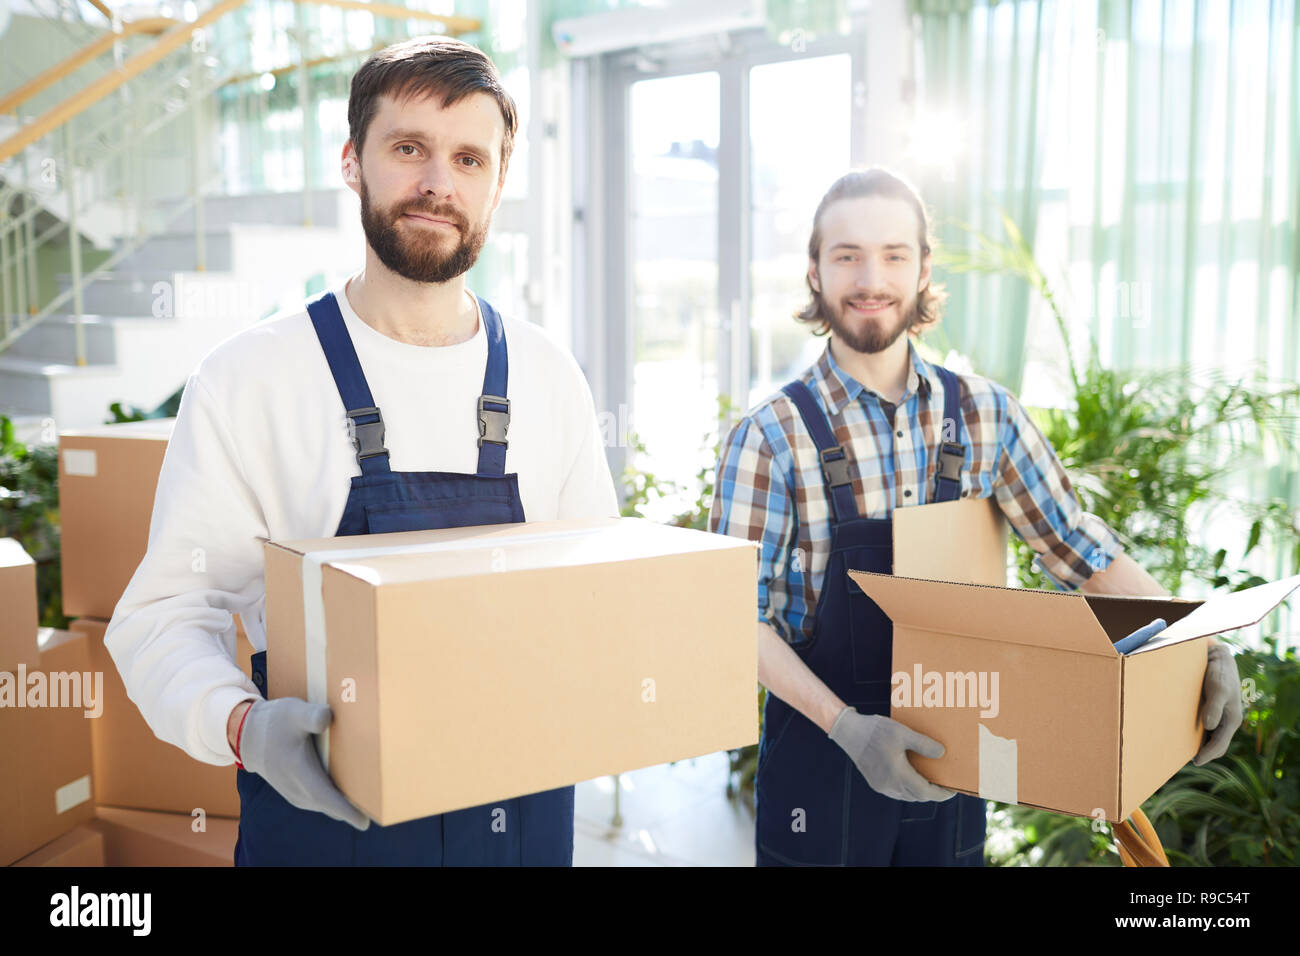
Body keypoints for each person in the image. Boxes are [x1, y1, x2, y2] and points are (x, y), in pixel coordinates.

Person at [104, 35, 618, 866]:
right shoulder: (249, 380)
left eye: (468, 159)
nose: (437, 184)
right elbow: (163, 617)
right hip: (325, 822)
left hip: (517, 818)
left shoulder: (548, 376)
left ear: (497, 183)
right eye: (408, 148)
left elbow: (597, 594)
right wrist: (241, 726)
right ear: (353, 161)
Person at [708, 167, 1242, 867]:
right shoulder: (770, 436)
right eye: (847, 256)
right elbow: (730, 616)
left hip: (957, 762)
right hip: (822, 764)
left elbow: (1075, 547)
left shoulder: (985, 415)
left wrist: (1192, 640)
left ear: (924, 267)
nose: (872, 278)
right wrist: (847, 727)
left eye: (895, 254)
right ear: (815, 271)